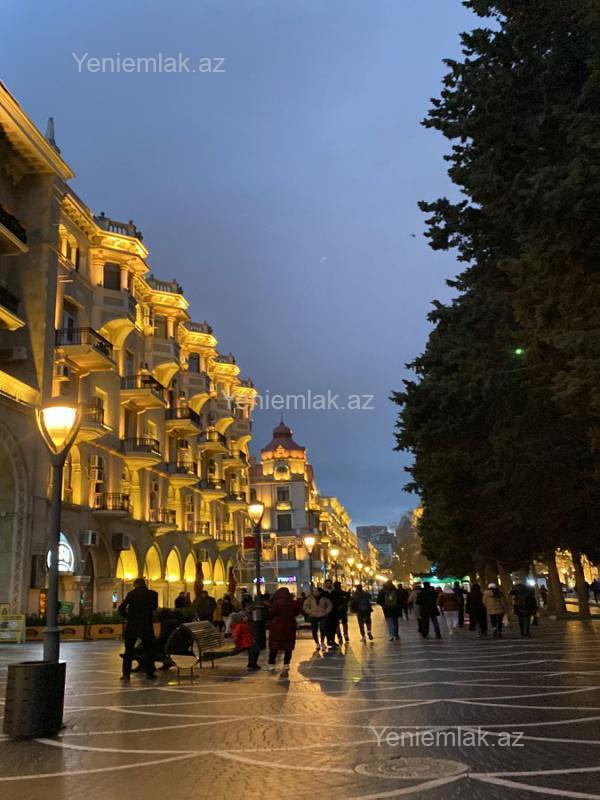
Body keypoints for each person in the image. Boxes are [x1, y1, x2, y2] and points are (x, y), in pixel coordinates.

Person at [118, 577, 158, 680]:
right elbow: (154, 607)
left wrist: (128, 616)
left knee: (129, 649)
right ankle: (150, 672)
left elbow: (122, 608)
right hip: (146, 624)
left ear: (135, 584)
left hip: (133, 624)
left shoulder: (131, 594)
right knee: (149, 649)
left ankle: (126, 674)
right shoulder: (153, 594)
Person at [267, 586, 303, 677]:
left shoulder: (276, 602)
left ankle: (271, 664)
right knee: (288, 646)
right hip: (290, 625)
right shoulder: (293, 602)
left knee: (274, 645)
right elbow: (297, 612)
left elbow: (271, 613)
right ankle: (286, 664)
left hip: (277, 626)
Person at [321, 578, 339, 649]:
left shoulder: (334, 592)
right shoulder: (323, 592)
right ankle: (328, 640)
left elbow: (337, 600)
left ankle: (332, 640)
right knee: (327, 627)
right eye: (327, 583)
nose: (328, 585)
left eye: (329, 583)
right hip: (326, 612)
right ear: (325, 584)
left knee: (333, 627)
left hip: (334, 612)